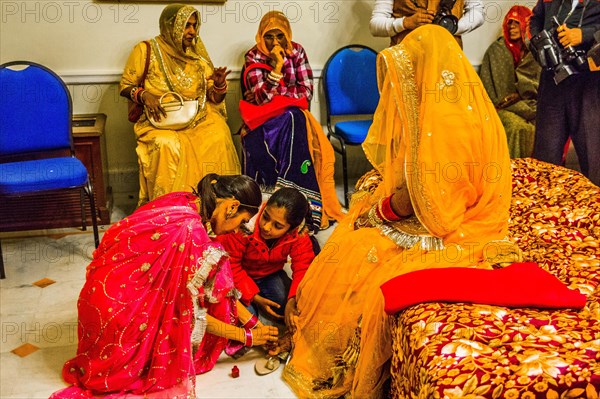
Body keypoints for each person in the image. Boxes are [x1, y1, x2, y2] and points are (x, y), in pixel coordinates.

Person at [281, 25, 514, 398]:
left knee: (357, 252)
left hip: (450, 223)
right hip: (442, 207)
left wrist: (380, 214)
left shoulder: (447, 124)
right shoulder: (450, 102)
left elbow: (434, 205)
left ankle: (341, 356)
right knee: (356, 231)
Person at [50, 174, 279, 399]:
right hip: (119, 326)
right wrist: (245, 336)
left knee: (215, 262)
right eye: (241, 222)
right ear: (232, 206)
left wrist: (255, 325)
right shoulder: (191, 232)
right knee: (208, 273)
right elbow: (189, 314)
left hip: (99, 300)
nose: (237, 230)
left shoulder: (184, 199)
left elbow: (218, 287)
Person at [120, 4, 241, 206]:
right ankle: (171, 210)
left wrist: (219, 85)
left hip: (198, 119)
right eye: (186, 26)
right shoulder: (146, 49)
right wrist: (144, 95)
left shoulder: (197, 56)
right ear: (170, 26)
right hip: (159, 121)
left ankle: (214, 206)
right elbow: (125, 85)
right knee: (167, 145)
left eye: (194, 26)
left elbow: (212, 98)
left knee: (219, 134)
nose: (192, 32)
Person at [241, 10, 344, 231]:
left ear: (288, 35)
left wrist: (275, 93)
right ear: (260, 36)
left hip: (292, 118)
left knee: (294, 117)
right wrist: (277, 68)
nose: (275, 42)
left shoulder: (297, 51)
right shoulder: (253, 56)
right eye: (269, 36)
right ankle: (271, 205)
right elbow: (260, 100)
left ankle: (302, 204)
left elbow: (306, 94)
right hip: (262, 123)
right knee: (292, 116)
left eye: (280, 36)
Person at [218, 187, 316, 330]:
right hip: (235, 277)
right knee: (245, 320)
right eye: (265, 216)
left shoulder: (298, 235)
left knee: (293, 309)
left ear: (292, 228)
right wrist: (254, 297)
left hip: (269, 274)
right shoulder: (243, 225)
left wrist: (292, 299)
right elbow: (230, 265)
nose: (266, 227)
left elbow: (303, 267)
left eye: (278, 226)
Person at [530, 0, 600, 186]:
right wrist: (540, 44)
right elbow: (535, 18)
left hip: (590, 85)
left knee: (594, 158)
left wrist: (584, 35)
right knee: (545, 157)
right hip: (553, 81)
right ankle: (542, 209)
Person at [480, 5, 542, 158]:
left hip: (530, 106)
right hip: (501, 109)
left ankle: (537, 175)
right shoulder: (498, 50)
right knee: (518, 127)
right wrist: (529, 110)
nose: (512, 28)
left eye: (517, 23)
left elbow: (537, 86)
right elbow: (501, 96)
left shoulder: (534, 54)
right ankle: (512, 172)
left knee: (547, 126)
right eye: (509, 23)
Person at [369, 0, 484, 46]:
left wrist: (454, 27)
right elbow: (375, 26)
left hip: (448, 61)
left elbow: (478, 12)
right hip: (406, 65)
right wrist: (405, 23)